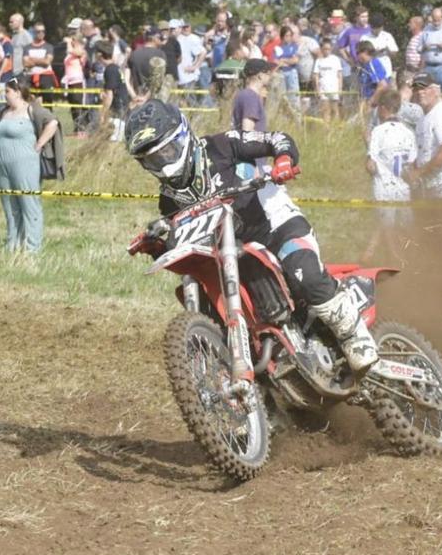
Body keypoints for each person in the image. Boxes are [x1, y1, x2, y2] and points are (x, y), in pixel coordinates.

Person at [124, 99, 379, 377]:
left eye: (166, 151)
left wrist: (283, 160)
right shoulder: (169, 200)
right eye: (152, 159)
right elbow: (183, 240)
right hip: (231, 253)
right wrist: (157, 245)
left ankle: (355, 337)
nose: (162, 162)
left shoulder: (221, 145)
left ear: (183, 136)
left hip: (275, 226)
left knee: (303, 272)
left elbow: (276, 139)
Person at [0, 78, 58, 254]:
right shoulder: (4, 112)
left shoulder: (31, 109)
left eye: (8, 92)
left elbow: (53, 122)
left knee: (29, 204)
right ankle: (13, 244)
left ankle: (32, 248)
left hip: (26, 164)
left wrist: (40, 143)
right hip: (2, 167)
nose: (5, 95)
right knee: (10, 205)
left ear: (18, 92)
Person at [363, 88, 417, 262]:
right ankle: (371, 254)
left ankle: (396, 260)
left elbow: (371, 165)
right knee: (405, 226)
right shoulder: (408, 132)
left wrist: (367, 145)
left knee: (388, 227)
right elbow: (412, 162)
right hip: (404, 187)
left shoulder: (378, 132)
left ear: (384, 108)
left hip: (384, 187)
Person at [96, 40, 128, 142]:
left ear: (100, 55)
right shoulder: (115, 68)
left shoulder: (110, 70)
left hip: (117, 114)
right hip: (121, 111)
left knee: (112, 142)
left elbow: (110, 95)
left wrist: (103, 114)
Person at [24, 21, 58, 105]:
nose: (41, 33)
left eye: (43, 31)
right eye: (38, 31)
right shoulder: (27, 47)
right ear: (34, 33)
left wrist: (32, 60)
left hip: (46, 76)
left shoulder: (49, 47)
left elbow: (47, 62)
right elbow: (26, 63)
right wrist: (41, 60)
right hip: (31, 76)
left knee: (47, 103)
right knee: (29, 102)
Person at [313, 42, 343, 121]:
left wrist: (340, 88)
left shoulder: (335, 59)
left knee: (335, 109)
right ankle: (327, 129)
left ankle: (336, 127)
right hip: (323, 88)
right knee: (325, 110)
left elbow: (339, 75)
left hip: (334, 88)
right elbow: (316, 75)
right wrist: (317, 89)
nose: (327, 51)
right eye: (325, 49)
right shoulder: (318, 60)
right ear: (321, 49)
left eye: (329, 49)